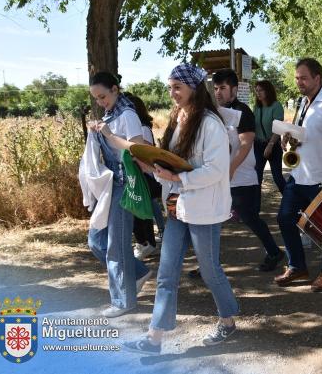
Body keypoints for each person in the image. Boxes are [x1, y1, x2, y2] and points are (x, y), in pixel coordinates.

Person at [123, 63, 239, 354]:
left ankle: (227, 320)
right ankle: (154, 338)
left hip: (204, 210)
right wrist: (150, 165)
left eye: (177, 87)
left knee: (210, 271)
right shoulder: (178, 117)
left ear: (194, 89)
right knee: (166, 273)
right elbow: (172, 160)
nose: (172, 92)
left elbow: (216, 170)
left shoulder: (210, 124)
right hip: (176, 208)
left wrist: (178, 177)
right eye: (170, 87)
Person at [86, 72, 152, 318]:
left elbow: (139, 150)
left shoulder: (128, 115)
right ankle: (137, 272)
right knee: (96, 240)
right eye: (97, 98)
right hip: (110, 185)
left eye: (103, 96)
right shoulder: (110, 115)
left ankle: (123, 301)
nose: (101, 102)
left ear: (115, 89)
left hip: (125, 185)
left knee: (116, 245)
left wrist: (108, 135)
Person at [274, 57, 322, 292]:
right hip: (299, 175)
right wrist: (288, 139)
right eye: (297, 78)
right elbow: (304, 133)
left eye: (304, 78)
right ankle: (297, 266)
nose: (299, 82)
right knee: (285, 218)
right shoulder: (303, 102)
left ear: (317, 78)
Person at [212, 69, 285, 272]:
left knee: (250, 217)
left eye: (223, 88)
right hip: (220, 176)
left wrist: (231, 170)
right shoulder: (215, 112)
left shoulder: (243, 111)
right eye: (216, 88)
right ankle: (208, 263)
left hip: (241, 177)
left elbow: (245, 144)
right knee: (211, 218)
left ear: (234, 89)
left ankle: (274, 252)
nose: (218, 92)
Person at [124, 92, 163, 260]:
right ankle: (150, 240)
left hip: (145, 175)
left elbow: (146, 152)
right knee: (147, 208)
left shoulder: (143, 129)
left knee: (143, 210)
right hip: (140, 175)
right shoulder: (140, 127)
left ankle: (148, 242)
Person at [253, 79, 286, 193]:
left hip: (273, 146)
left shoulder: (276, 106)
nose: (258, 93)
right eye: (256, 91)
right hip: (258, 145)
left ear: (268, 91)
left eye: (261, 90)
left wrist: (270, 145)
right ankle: (254, 208)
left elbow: (279, 128)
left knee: (277, 178)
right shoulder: (257, 107)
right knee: (256, 179)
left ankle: (290, 202)